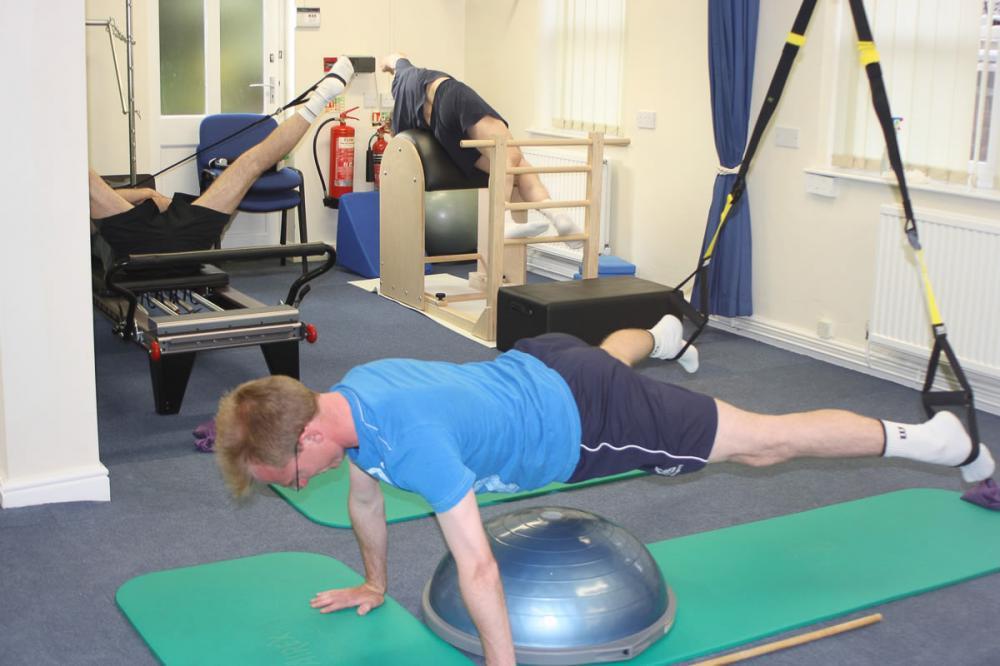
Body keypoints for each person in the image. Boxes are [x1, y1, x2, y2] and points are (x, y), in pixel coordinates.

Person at [213, 314, 995, 666]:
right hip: (546, 360)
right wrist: (375, 583)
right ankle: (664, 333)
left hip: (591, 420)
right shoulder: (351, 396)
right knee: (606, 356)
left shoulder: (412, 441)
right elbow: (364, 499)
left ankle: (936, 440)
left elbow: (479, 565)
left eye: (291, 474)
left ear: (308, 435)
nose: (301, 483)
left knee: (763, 444)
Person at [89, 56, 357, 261]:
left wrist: (146, 193)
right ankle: (320, 97)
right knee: (251, 164)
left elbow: (101, 195)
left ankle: (321, 96)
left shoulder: (91, 194)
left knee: (250, 163)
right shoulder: (88, 192)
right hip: (163, 241)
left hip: (164, 227)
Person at [381, 53, 581, 244]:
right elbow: (397, 56)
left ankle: (556, 216)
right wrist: (386, 64)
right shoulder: (403, 76)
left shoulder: (402, 122)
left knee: (516, 166)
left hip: (444, 132)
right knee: (509, 156)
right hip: (447, 98)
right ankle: (519, 219)